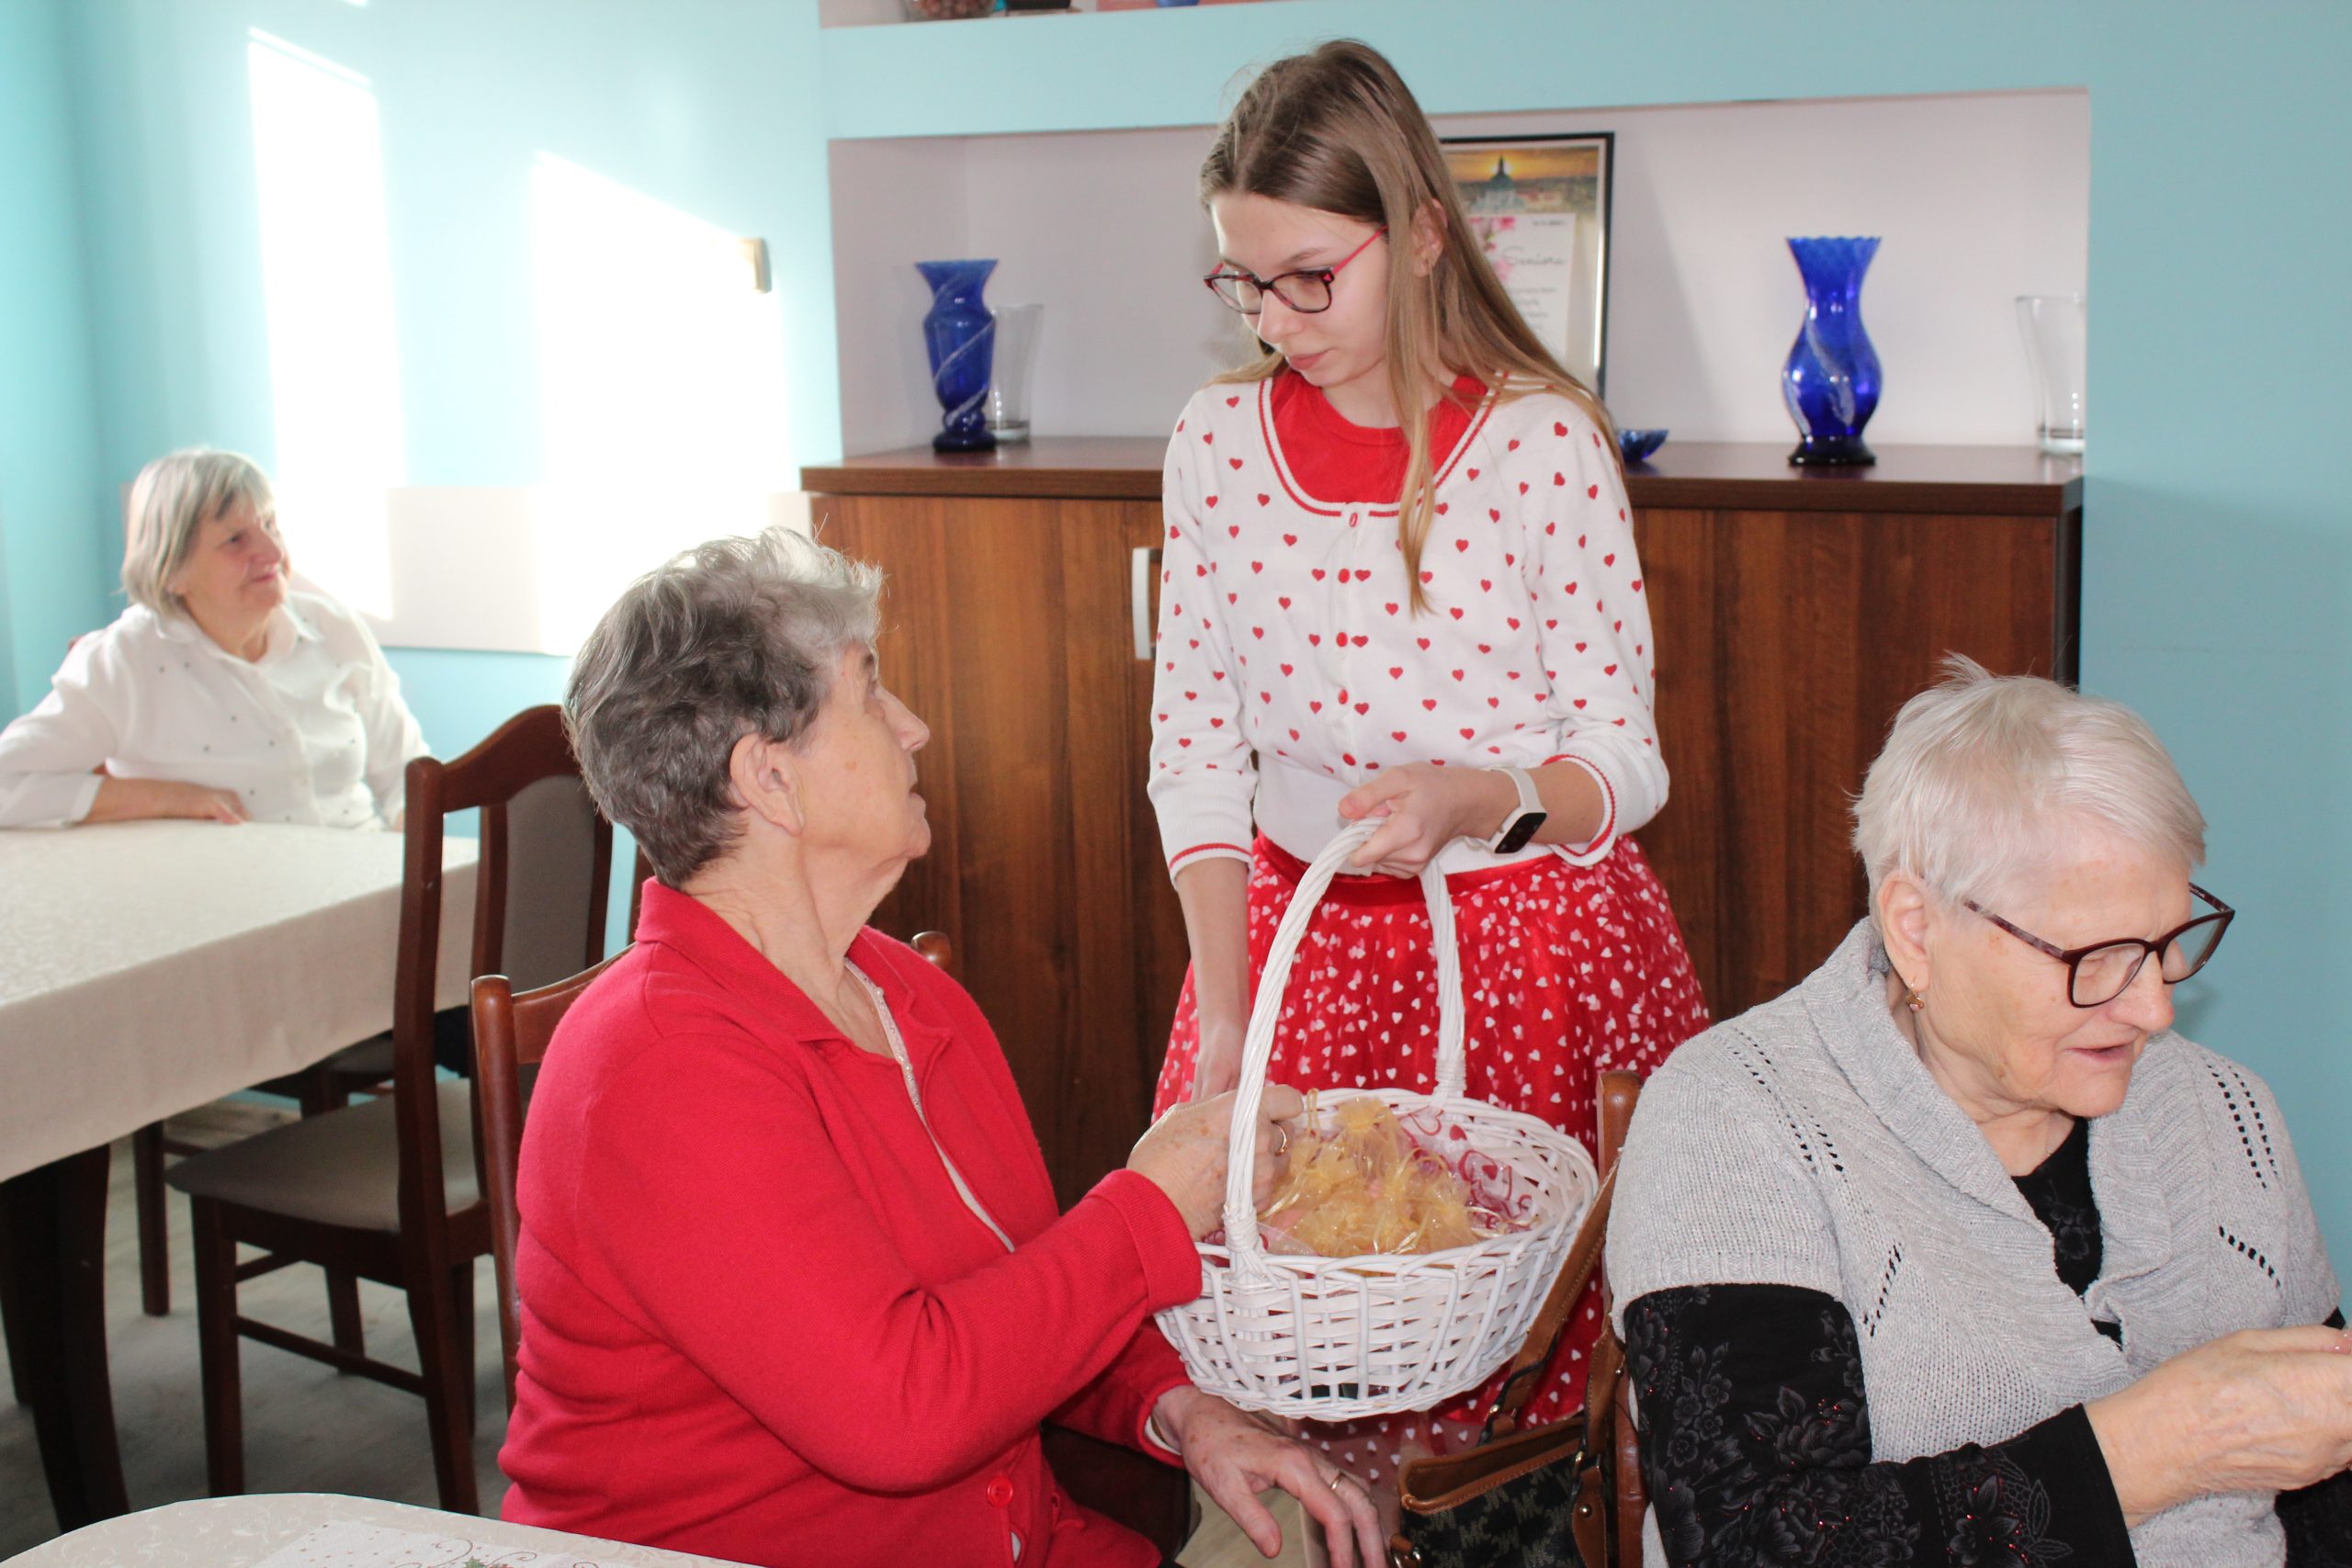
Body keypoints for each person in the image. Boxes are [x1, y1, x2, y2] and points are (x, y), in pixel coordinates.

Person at [503, 527, 1386, 1568]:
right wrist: (1152, 1205)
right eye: (870, 691)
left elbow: (1021, 1298)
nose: (912, 726)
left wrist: (1182, 1408)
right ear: (769, 779)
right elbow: (902, 1411)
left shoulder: (905, 992)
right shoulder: (656, 1068)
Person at [1146, 38, 1709, 1488]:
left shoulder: (1539, 444)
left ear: (1420, 234)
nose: (1276, 320)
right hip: (1294, 953)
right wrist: (1225, 1012)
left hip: (1535, 955)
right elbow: (1194, 752)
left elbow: (1625, 763)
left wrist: (1481, 797)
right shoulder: (1215, 443)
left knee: (1532, 1371)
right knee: (1305, 1346)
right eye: (1244, 282)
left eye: (1309, 277)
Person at [1608, 659, 2352, 1565]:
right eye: (2098, 956)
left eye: (2165, 942)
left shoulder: (2224, 1109)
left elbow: (2327, 1495)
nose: (2154, 1008)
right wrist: (2164, 1443)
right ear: (1916, 928)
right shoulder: (1736, 1118)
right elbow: (1750, 1542)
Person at [0, 446, 426, 829]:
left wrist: (420, 853)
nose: (273, 552)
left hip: (363, 874)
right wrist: (169, 798)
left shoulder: (332, 627)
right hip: (220, 887)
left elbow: (405, 772)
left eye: (270, 525)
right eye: (235, 540)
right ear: (173, 570)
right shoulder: (126, 659)